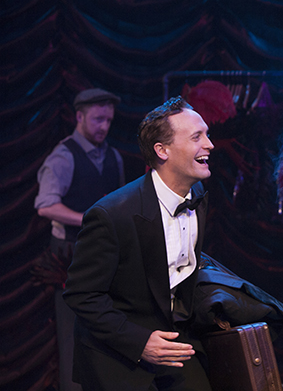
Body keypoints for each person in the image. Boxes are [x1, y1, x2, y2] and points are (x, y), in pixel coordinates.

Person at [63, 96, 214, 390]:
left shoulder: (198, 195)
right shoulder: (111, 215)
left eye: (206, 135)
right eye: (197, 137)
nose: (209, 144)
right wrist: (140, 341)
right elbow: (82, 295)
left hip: (173, 345)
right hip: (118, 352)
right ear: (163, 150)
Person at [34, 88, 125, 391]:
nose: (104, 126)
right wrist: (88, 218)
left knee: (106, 333)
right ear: (79, 117)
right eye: (98, 119)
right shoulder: (63, 156)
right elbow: (46, 205)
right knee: (73, 335)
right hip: (69, 256)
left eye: (109, 120)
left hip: (105, 255)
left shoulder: (112, 156)